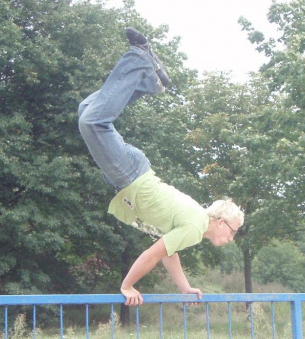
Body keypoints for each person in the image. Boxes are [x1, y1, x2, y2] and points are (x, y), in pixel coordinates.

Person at [78, 28, 244, 306]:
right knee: (92, 122)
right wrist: (127, 285)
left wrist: (185, 287)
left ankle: (147, 82)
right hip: (130, 174)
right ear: (219, 221)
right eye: (232, 230)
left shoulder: (194, 223)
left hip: (131, 173)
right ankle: (140, 61)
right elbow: (153, 255)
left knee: (86, 110)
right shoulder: (195, 225)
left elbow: (169, 252)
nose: (231, 238)